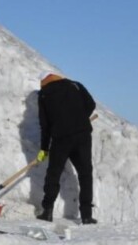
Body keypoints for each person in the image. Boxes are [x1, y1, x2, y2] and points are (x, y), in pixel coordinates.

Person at [35, 71, 97, 224]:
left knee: (54, 173)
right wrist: (80, 118)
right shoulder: (75, 85)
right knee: (85, 174)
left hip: (61, 138)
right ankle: (87, 216)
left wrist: (44, 148)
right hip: (82, 134)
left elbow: (45, 125)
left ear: (44, 82)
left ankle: (47, 211)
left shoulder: (44, 95)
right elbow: (91, 104)